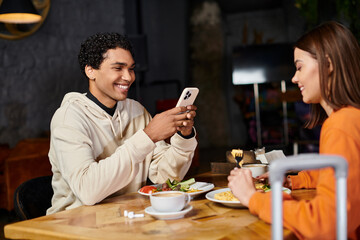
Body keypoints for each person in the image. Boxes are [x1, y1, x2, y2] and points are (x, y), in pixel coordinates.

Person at [228, 21, 360, 239]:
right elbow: (342, 175)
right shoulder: (350, 118)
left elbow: (325, 224)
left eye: (299, 67)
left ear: (328, 65)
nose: (294, 78)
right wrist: (292, 181)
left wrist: (253, 198)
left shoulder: (341, 125)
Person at [47, 33, 198, 214]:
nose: (128, 77)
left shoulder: (137, 111)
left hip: (127, 217)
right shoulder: (68, 118)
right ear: (90, 71)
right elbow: (88, 191)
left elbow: (164, 177)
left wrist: (184, 137)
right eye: (118, 68)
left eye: (131, 69)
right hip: (76, 224)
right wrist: (148, 136)